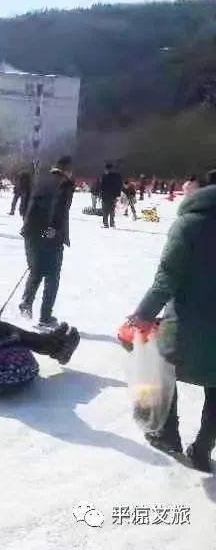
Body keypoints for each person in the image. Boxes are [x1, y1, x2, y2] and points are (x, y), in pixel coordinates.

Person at [130, 185, 216, 472]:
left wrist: (143, 314)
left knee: (162, 366)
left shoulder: (188, 225)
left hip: (188, 323)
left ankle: (166, 434)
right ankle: (203, 449)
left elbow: (167, 278)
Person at [19, 156, 75, 328]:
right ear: (67, 169)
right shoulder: (64, 184)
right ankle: (45, 317)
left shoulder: (39, 179)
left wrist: (33, 228)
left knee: (36, 269)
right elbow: (58, 207)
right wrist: (52, 230)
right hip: (50, 235)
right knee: (52, 276)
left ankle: (26, 302)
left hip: (31, 232)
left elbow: (24, 204)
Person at [99, 162, 123, 228]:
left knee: (105, 210)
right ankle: (112, 223)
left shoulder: (105, 176)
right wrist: (118, 194)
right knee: (112, 210)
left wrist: (101, 194)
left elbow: (102, 186)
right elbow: (120, 185)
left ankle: (106, 224)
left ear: (106, 169)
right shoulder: (117, 176)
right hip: (114, 196)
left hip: (106, 196)